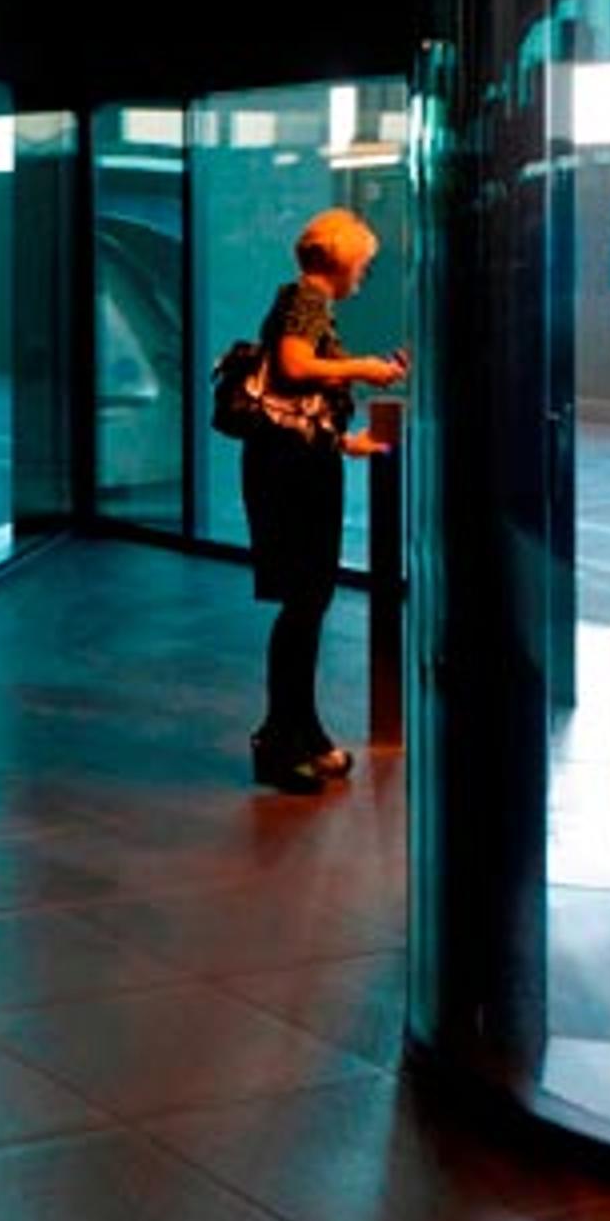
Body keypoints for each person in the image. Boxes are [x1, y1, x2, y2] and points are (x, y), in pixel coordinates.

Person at [243, 208, 408, 793]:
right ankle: (280, 741)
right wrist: (361, 368)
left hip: (296, 464)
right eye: (362, 262)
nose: (363, 273)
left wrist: (345, 441)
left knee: (306, 604)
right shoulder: (307, 301)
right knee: (304, 604)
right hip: (292, 476)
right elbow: (293, 369)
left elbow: (295, 405)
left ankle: (301, 729)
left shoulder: (301, 302)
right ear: (338, 260)